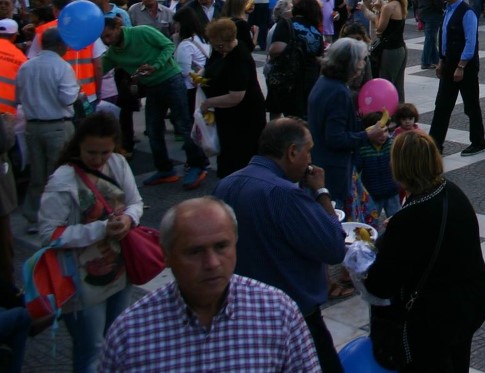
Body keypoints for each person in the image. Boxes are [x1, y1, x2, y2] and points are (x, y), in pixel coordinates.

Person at [98, 197, 320, 372]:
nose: (212, 263)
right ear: (165, 255)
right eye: (195, 251)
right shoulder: (129, 335)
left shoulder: (279, 312)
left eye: (221, 246)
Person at [214, 119, 347, 373]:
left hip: (240, 314)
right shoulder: (284, 195)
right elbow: (334, 247)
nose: (310, 159)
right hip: (294, 316)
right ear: (292, 152)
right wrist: (321, 192)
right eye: (308, 151)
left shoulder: (226, 184)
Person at [359, 129, 485, 371]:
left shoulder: (408, 219)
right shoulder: (452, 191)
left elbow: (380, 285)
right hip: (470, 304)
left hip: (434, 319)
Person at [38, 113, 143, 373]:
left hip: (120, 269)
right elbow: (49, 234)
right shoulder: (63, 179)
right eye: (91, 153)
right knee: (91, 350)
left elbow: (135, 202)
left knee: (117, 339)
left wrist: (129, 220)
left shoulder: (117, 163)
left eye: (104, 153)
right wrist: (101, 229)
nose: (98, 160)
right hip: (81, 280)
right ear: (79, 146)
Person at [100, 16, 211, 189]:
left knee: (183, 124)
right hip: (152, 86)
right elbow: (98, 68)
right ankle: (165, 168)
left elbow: (168, 45)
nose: (106, 41)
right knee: (153, 129)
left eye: (108, 36)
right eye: (102, 38)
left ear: (118, 27)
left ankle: (197, 164)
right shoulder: (113, 53)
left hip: (171, 79)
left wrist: (156, 65)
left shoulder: (142, 31)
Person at [308, 38, 389, 213]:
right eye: (361, 60)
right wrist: (368, 136)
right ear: (350, 64)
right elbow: (335, 138)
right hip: (333, 170)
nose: (363, 65)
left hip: (321, 162)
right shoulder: (338, 92)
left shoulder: (324, 82)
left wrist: (362, 123)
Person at [16, 27, 81, 230]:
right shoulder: (62, 67)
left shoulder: (26, 66)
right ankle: (58, 216)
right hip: (57, 126)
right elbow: (67, 98)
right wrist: (77, 90)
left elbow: (19, 95)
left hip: (32, 127)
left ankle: (34, 217)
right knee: (60, 174)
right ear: (61, 45)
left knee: (37, 173)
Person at [198, 18, 267, 178]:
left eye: (219, 46)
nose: (217, 49)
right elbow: (212, 66)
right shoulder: (223, 51)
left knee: (240, 157)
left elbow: (236, 96)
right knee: (228, 155)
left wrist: (208, 103)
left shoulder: (239, 58)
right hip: (229, 116)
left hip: (245, 116)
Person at [428, 0, 485, 157]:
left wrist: (461, 66)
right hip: (448, 63)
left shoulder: (466, 12)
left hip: (464, 66)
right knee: (442, 105)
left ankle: (477, 142)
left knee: (471, 105)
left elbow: (471, 42)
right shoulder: (448, 9)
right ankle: (434, 144)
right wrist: (441, 61)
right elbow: (444, 38)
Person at [368, 0, 408, 102]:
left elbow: (379, 29)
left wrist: (378, 11)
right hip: (401, 48)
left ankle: (386, 114)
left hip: (390, 50)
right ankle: (401, 115)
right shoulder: (400, 3)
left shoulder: (388, 7)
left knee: (386, 83)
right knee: (398, 85)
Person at [413, 0, 445, 70]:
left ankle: (435, 59)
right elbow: (438, 0)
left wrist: (417, 11)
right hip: (433, 13)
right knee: (430, 38)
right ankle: (425, 61)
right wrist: (442, 9)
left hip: (423, 11)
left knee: (430, 36)